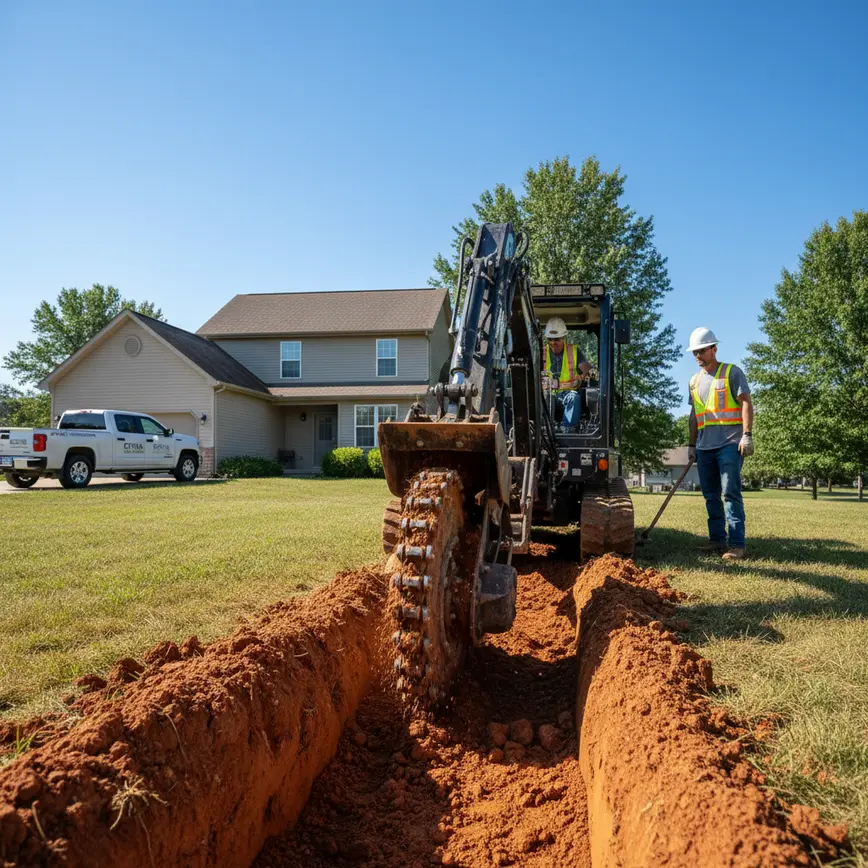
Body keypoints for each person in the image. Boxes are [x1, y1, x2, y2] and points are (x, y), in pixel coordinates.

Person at [687, 327, 754, 560]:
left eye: (702, 351)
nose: (698, 356)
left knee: (730, 494)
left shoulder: (731, 373)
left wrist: (747, 435)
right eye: (695, 352)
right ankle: (717, 541)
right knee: (710, 496)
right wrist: (691, 445)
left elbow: (746, 403)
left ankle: (737, 545)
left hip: (729, 444)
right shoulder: (694, 382)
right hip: (704, 447)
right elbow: (693, 416)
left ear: (714, 349)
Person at [543, 317, 591, 432]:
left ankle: (567, 430)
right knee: (541, 399)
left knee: (574, 398)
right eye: (550, 339)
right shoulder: (541, 352)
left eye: (556, 339)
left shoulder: (573, 351)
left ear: (563, 337)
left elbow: (586, 369)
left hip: (568, 394)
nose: (553, 343)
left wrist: (581, 378)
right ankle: (544, 430)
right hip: (548, 394)